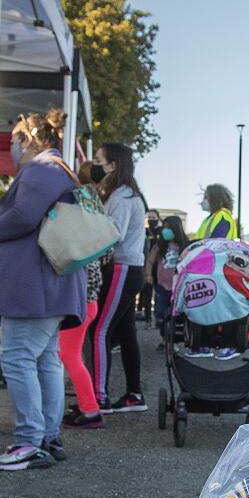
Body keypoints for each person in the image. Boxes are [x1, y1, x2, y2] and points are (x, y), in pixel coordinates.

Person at [0, 109, 85, 471]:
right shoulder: (58, 168)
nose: (10, 147)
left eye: (13, 139)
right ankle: (46, 436)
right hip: (48, 285)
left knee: (18, 357)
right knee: (44, 360)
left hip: (35, 286)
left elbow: (23, 217)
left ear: (26, 139)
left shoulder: (41, 169)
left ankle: (30, 440)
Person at [91, 141, 149, 414]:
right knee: (126, 333)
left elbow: (113, 233)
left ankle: (98, 396)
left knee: (100, 330)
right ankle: (133, 394)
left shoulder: (121, 197)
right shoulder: (128, 194)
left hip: (122, 269)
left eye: (99, 160)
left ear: (113, 165)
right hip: (130, 269)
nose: (95, 165)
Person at [62, 160, 108, 430]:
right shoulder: (94, 206)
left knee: (68, 356)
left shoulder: (80, 203)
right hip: (88, 299)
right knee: (70, 355)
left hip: (81, 300)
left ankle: (90, 410)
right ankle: (86, 407)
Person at [153, 217, 188, 343]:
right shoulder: (160, 246)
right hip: (162, 286)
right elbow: (150, 260)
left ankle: (173, 341)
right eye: (164, 227)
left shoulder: (185, 247)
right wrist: (147, 275)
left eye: (167, 227)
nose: (165, 230)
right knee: (161, 313)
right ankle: (165, 338)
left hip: (179, 287)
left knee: (177, 315)